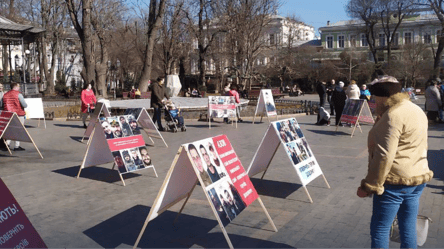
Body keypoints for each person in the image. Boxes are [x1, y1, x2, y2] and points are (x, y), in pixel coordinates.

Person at [356, 75, 433, 249]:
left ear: (382, 97)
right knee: (408, 226)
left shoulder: (392, 115)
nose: (374, 102)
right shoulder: (415, 109)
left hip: (395, 182)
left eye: (375, 98)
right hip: (418, 178)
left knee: (380, 229)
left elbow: (384, 157)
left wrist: (369, 186)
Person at [2, 82, 27, 151]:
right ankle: (17, 146)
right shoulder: (19, 94)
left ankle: (7, 144)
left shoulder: (5, 95)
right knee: (18, 130)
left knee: (10, 129)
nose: (19, 88)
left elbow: (1, 104)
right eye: (18, 86)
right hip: (19, 114)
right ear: (15, 86)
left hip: (8, 114)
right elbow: (24, 105)